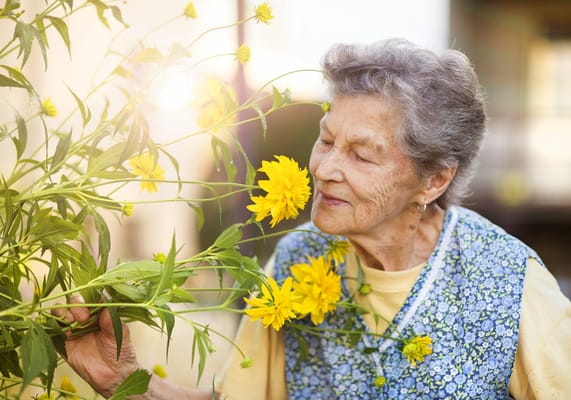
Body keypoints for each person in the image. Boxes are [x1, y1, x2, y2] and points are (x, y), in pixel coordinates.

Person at [62, 38, 571, 399]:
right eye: (326, 140)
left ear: (434, 179)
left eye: (362, 155)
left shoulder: (507, 279)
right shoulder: (294, 257)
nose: (325, 169)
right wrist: (125, 381)